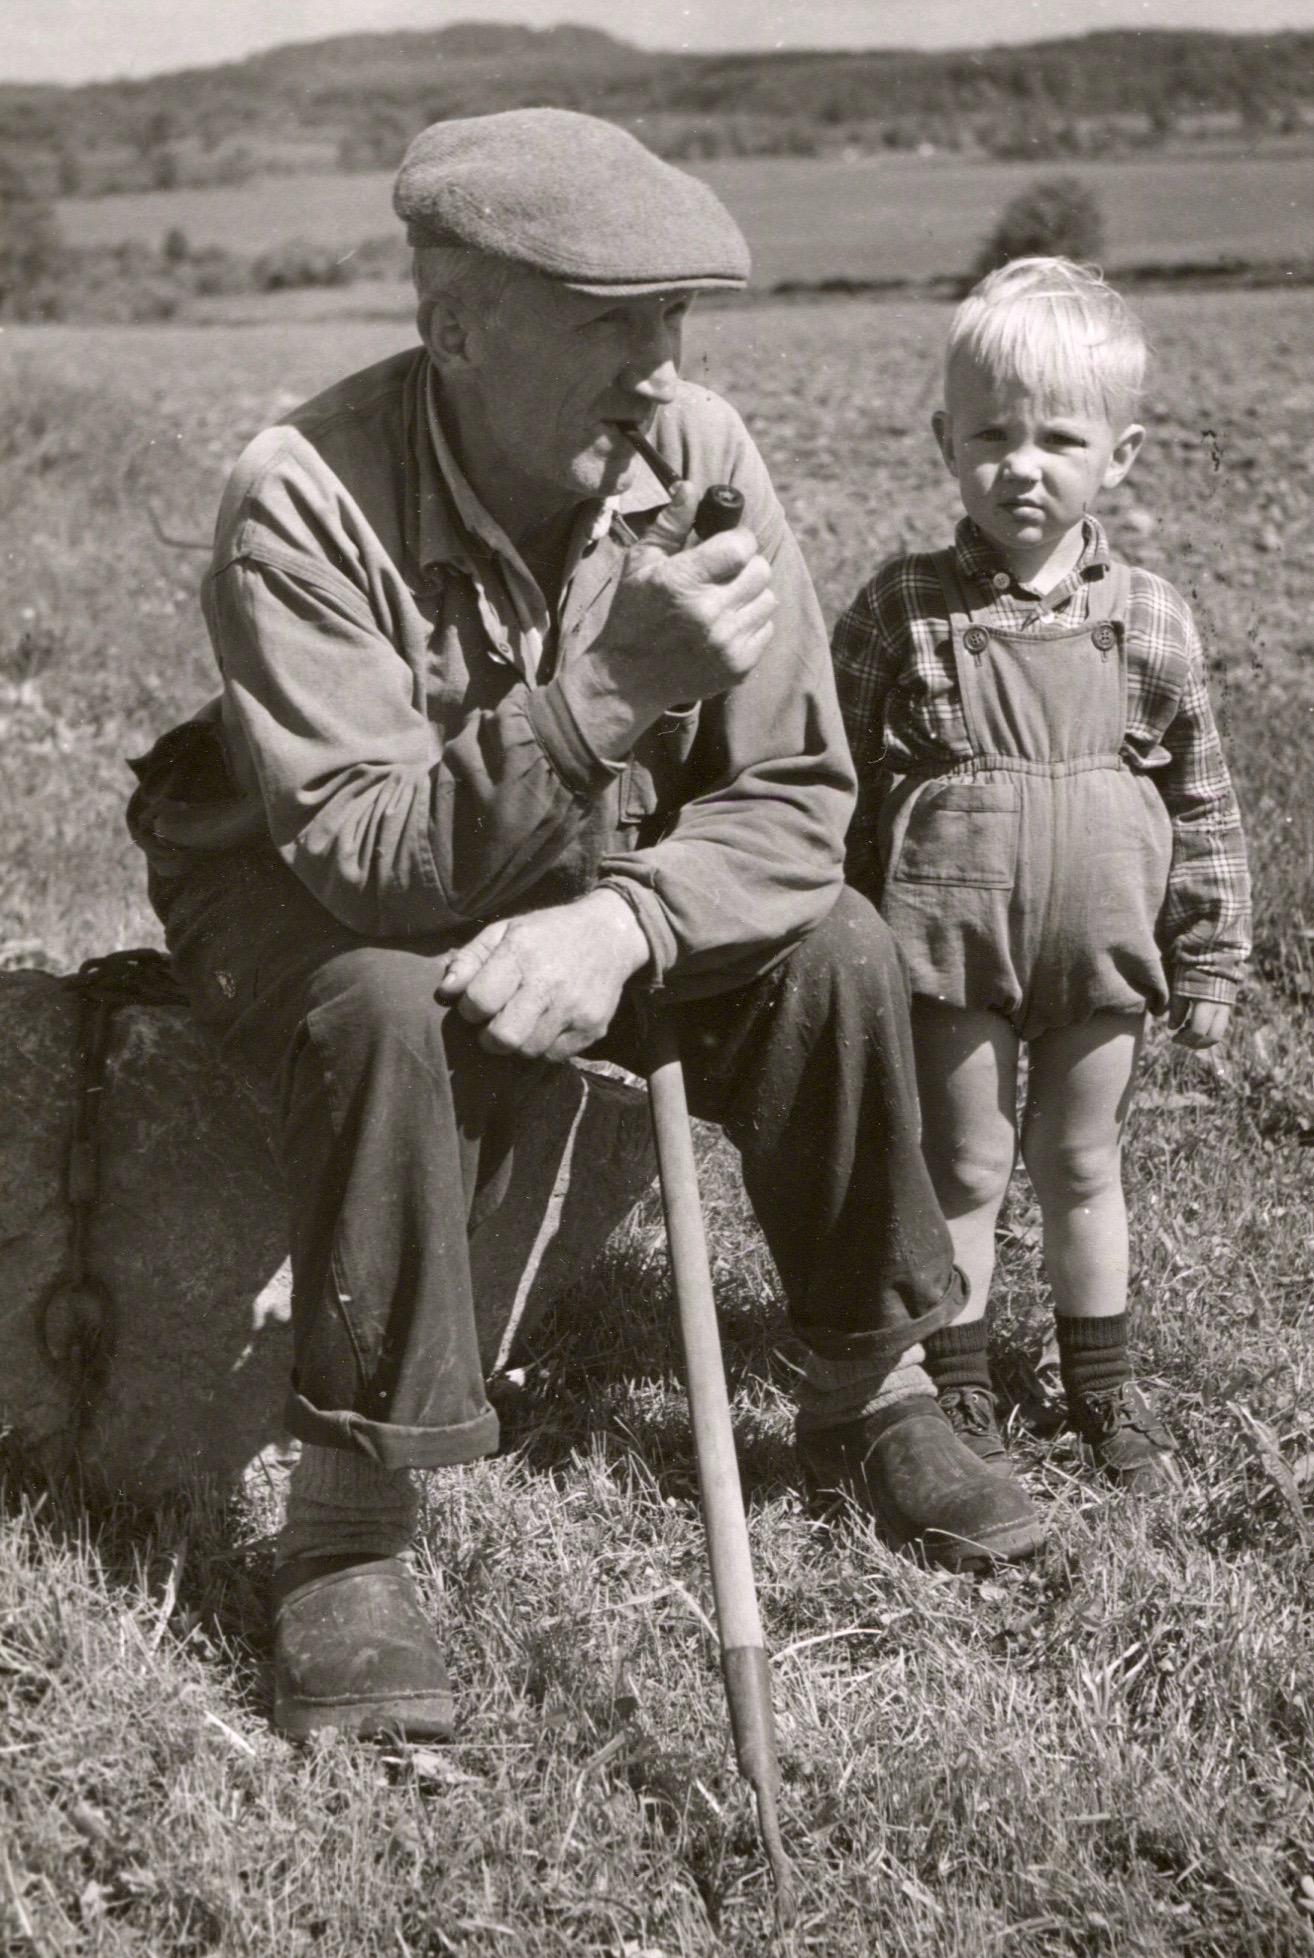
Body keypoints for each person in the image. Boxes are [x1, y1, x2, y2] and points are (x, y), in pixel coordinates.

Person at [127, 111, 1048, 1743]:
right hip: (305, 885)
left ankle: (869, 1386)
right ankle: (349, 1519)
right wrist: (615, 685)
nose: (657, 365)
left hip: (587, 864)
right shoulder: (303, 494)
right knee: (389, 1004)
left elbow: (793, 797)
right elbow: (369, 858)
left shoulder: (700, 455)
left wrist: (623, 928)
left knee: (829, 948)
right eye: (608, 319)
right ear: (457, 328)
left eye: (674, 320)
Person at [831, 257, 1250, 1498]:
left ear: (1117, 457)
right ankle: (959, 1377)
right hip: (947, 942)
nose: (1024, 465)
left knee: (1081, 1165)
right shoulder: (900, 607)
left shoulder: (1154, 619)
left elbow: (1203, 792)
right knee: (963, 1163)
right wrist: (842, 941)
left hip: (1102, 943)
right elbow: (843, 786)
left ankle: (1100, 1386)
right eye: (993, 435)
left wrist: (1212, 947)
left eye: (1059, 438)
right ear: (945, 441)